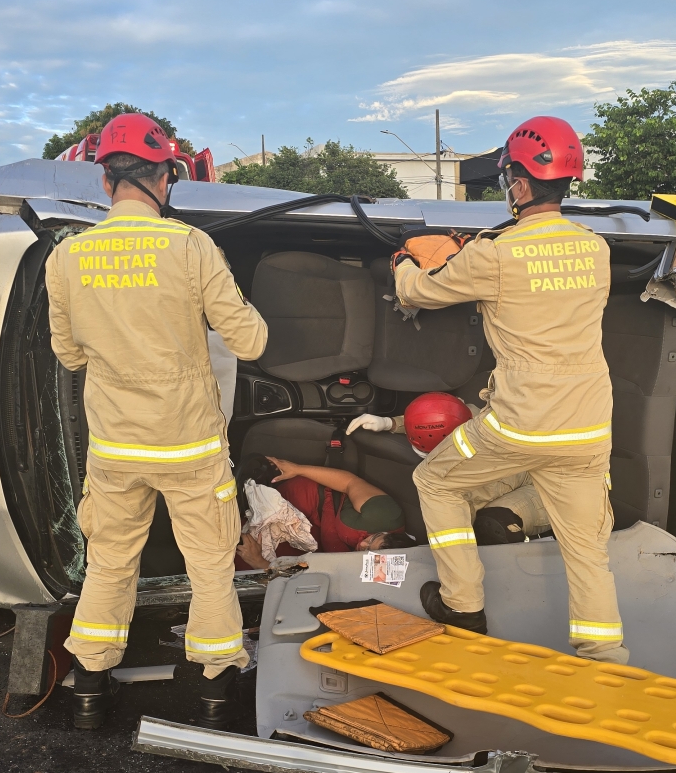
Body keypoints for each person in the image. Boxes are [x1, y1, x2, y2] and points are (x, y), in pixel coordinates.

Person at [46, 112, 268, 731]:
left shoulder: (67, 257)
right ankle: (216, 690)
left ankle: (89, 685)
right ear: (164, 177)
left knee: (111, 562)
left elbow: (68, 354)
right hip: (190, 445)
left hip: (115, 446)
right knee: (209, 565)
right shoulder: (192, 246)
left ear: (105, 183)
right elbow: (248, 341)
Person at [390, 116, 627, 663]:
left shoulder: (494, 253)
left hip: (519, 423)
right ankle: (604, 652)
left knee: (436, 482)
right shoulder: (596, 249)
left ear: (518, 184)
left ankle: (463, 606)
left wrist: (404, 260)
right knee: (586, 545)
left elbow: (423, 292)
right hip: (589, 426)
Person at [347, 392, 552, 545]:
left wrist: (390, 423)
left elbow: (440, 416)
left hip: (550, 471)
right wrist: (389, 423)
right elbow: (435, 420)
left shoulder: (474, 416)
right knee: (494, 525)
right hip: (531, 488)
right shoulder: (445, 478)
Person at [234, 454, 414, 568]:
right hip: (312, 501)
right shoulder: (384, 515)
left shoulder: (381, 569)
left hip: (322, 536)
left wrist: (262, 564)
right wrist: (298, 469)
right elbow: (349, 482)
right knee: (243, 551)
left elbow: (315, 575)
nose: (363, 545)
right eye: (372, 539)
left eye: (367, 553)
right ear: (385, 532)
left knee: (259, 560)